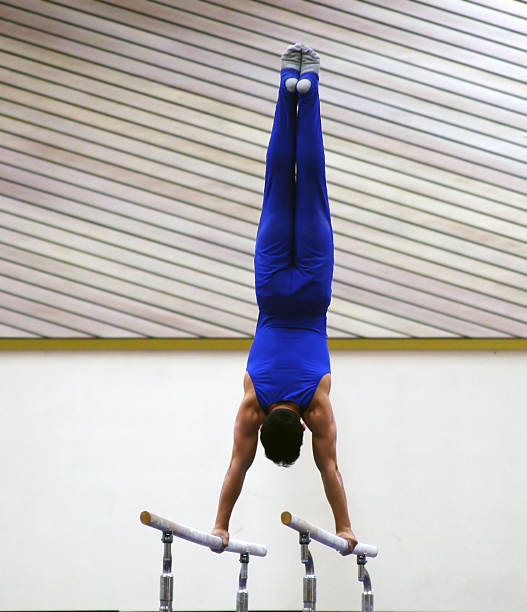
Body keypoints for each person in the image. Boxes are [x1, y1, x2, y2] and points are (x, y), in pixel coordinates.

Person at [212, 44, 357, 554]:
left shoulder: (317, 407)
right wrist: (219, 523)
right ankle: (286, 83)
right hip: (272, 287)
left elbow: (331, 470)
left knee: (311, 186)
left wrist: (345, 526)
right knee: (278, 186)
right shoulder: (251, 405)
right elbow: (236, 467)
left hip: (313, 288)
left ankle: (309, 84)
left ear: (298, 424)